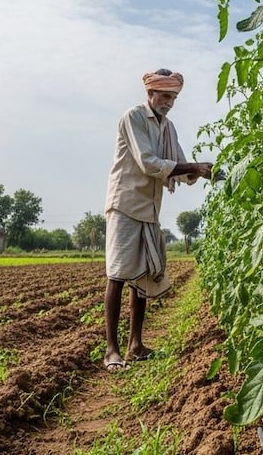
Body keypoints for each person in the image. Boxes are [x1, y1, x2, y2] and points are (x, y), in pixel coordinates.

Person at [102, 69, 214, 371]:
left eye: (174, 97)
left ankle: (135, 345)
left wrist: (202, 172)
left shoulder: (168, 127)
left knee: (142, 277)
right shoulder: (134, 117)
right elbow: (150, 163)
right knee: (118, 274)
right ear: (150, 93)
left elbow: (179, 163)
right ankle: (112, 350)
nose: (169, 102)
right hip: (125, 203)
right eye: (165, 96)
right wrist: (193, 167)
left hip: (149, 208)